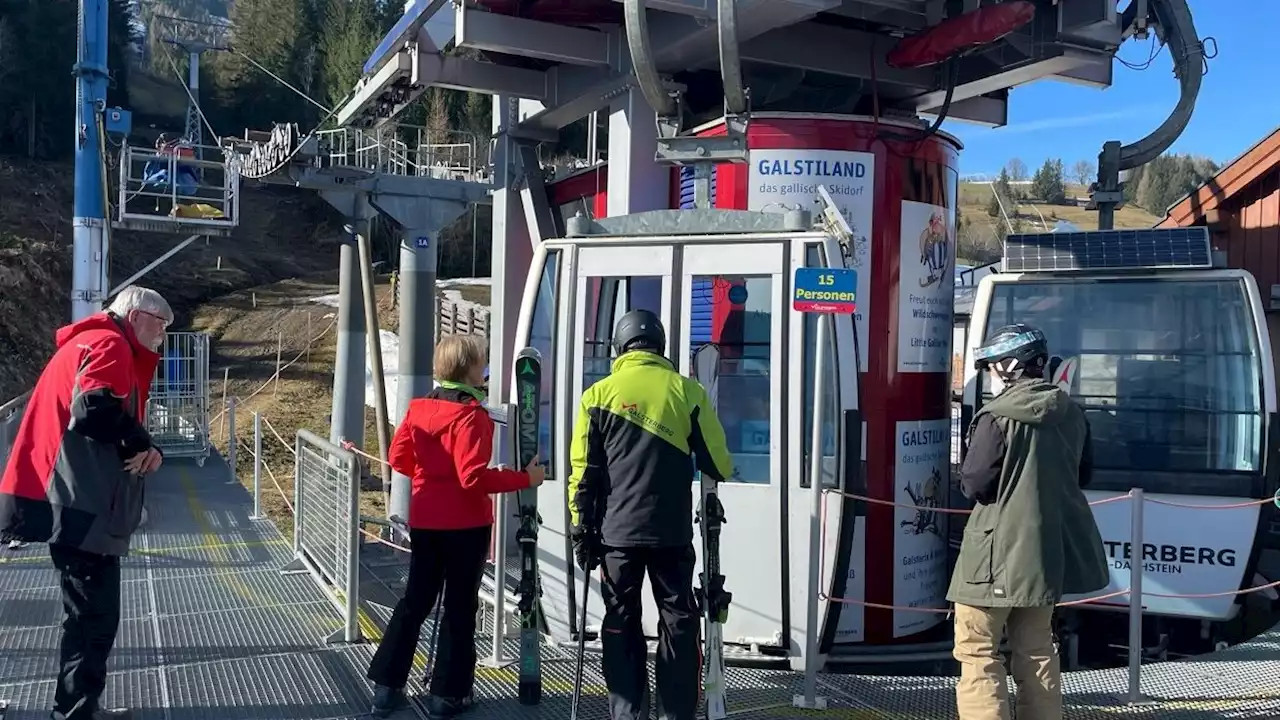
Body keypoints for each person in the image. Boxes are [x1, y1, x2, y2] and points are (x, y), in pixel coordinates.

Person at [0, 286, 171, 720]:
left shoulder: (87, 340)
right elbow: (93, 409)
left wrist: (139, 443)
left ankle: (77, 708)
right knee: (94, 620)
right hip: (81, 507)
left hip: (69, 499)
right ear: (135, 316)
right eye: (160, 322)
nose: (163, 334)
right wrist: (141, 441)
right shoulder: (110, 343)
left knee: (86, 616)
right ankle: (75, 712)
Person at [568, 309, 734, 720]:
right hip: (672, 535)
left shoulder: (597, 396)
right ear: (659, 346)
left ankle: (627, 712)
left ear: (620, 348)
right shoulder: (687, 392)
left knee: (620, 620)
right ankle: (676, 712)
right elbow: (721, 465)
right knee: (678, 620)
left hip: (615, 537)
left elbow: (582, 474)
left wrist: (580, 529)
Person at [367, 335, 545, 718]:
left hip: (426, 518)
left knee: (415, 601)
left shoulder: (419, 407)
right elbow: (472, 479)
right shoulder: (472, 416)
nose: (484, 369)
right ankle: (448, 694)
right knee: (459, 607)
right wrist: (522, 479)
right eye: (481, 362)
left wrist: (432, 479)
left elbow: (399, 458)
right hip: (465, 523)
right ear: (469, 369)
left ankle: (387, 684)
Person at [948, 324, 1108, 720]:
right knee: (1037, 648)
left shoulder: (996, 416)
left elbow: (975, 484)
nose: (990, 375)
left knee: (977, 648)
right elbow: (1083, 475)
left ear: (1010, 365)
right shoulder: (1072, 413)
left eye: (991, 366)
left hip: (993, 556)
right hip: (1044, 554)